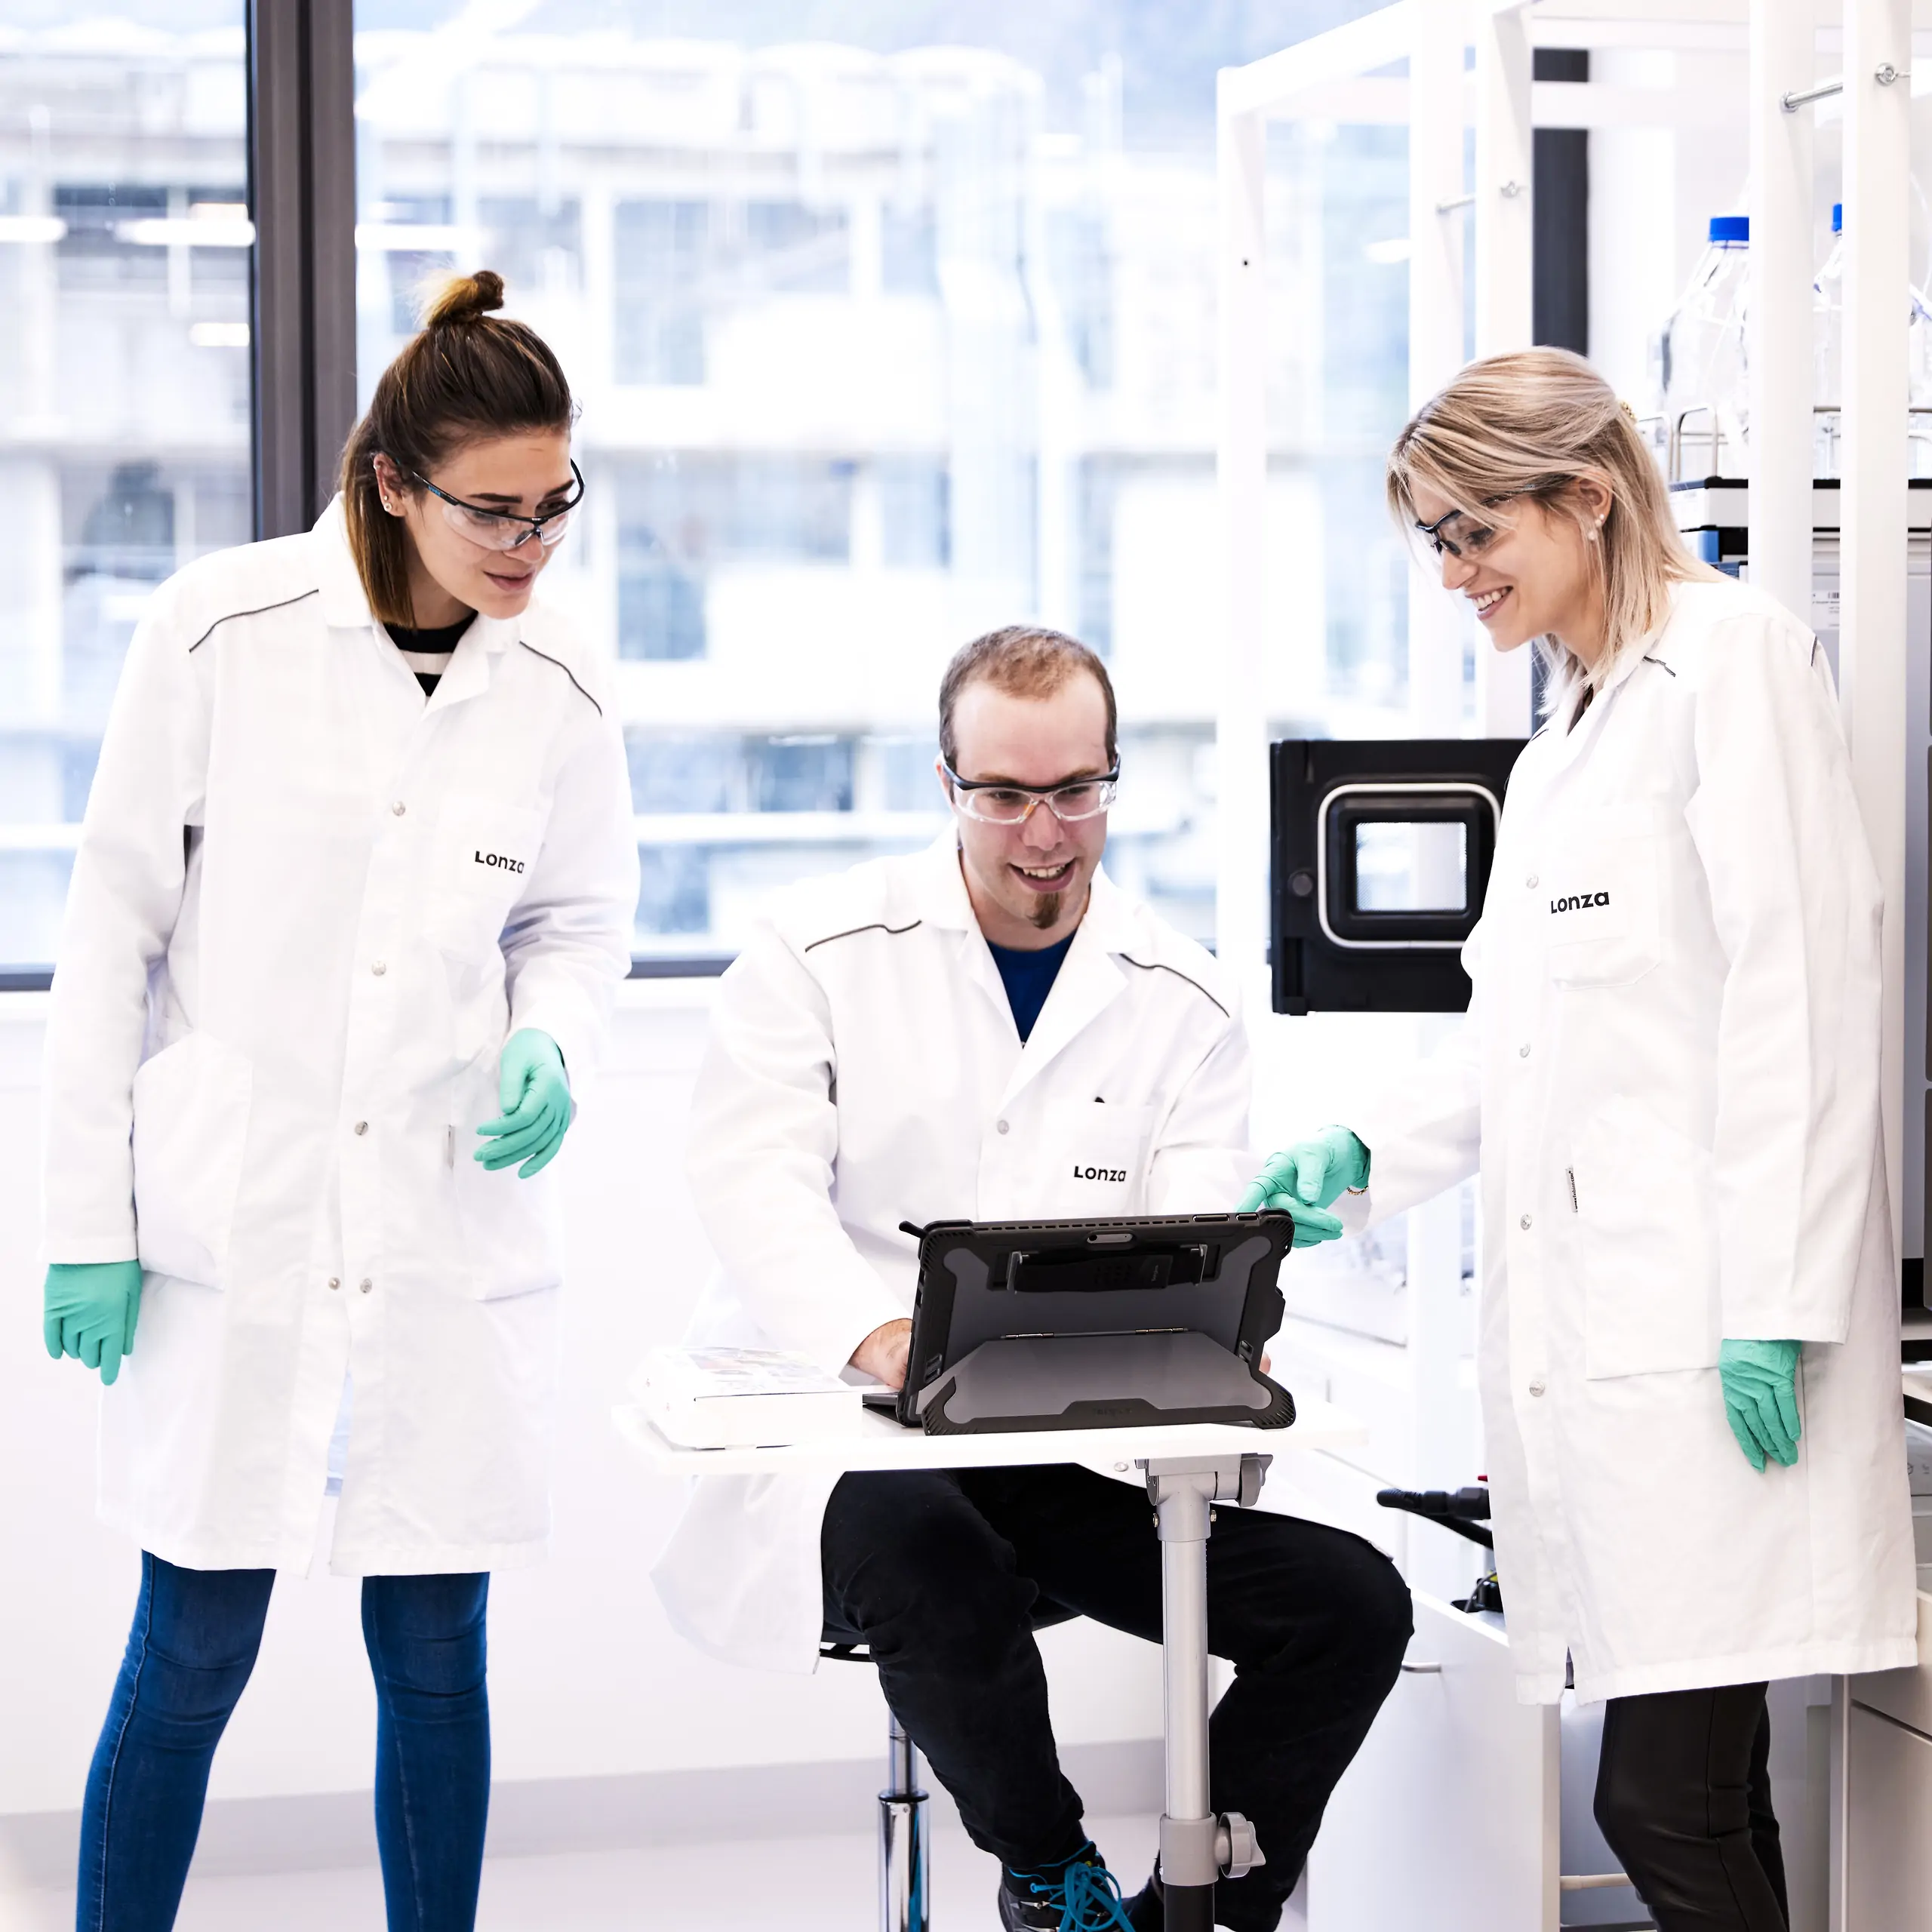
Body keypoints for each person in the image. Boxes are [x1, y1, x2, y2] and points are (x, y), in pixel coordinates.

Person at [1243, 347, 1918, 1932]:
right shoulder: (1564, 742)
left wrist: (1776, 1298)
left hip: (1716, 1336)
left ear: (1586, 497)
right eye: (1431, 540)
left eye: (1476, 529)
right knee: (1699, 1792)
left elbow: (1804, 995)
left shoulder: (1729, 661)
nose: (1454, 571)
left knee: (1653, 1800)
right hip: (1613, 1346)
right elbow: (1524, 1042)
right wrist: (1363, 1147)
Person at [39, 270, 638, 1932]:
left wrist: (558, 1039)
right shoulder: (220, 633)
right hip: (240, 1222)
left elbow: (577, 924)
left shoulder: (561, 688)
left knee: (436, 1648)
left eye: (554, 506)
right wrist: (90, 1224)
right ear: (391, 478)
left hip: (441, 1226)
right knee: (192, 1644)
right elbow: (110, 935)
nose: (529, 545)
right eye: (493, 510)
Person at [651, 625, 1412, 1932]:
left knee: (1353, 1604)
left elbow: (1190, 1226)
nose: (1043, 832)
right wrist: (885, 1337)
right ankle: (1051, 1880)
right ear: (946, 784)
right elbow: (750, 1184)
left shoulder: (1186, 996)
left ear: (1114, 776)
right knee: (921, 1537)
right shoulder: (817, 952)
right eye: (1004, 794)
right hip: (858, 1453)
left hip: (1073, 1463)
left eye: (1076, 790)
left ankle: (1199, 1896)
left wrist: (1221, 1335)